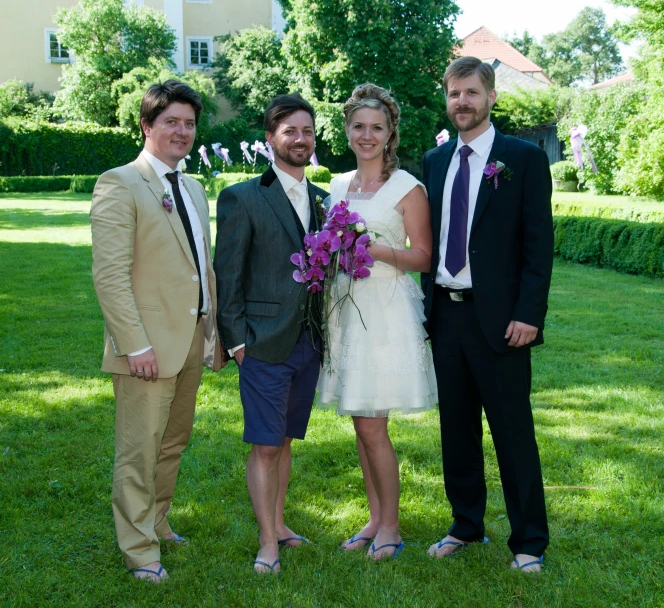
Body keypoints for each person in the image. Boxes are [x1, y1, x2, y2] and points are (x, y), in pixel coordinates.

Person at [421, 57, 554, 573]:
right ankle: (465, 525)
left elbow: (538, 246)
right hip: (447, 317)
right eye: (454, 93)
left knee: (512, 432)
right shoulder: (435, 161)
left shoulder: (521, 158)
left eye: (472, 92)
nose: (462, 102)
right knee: (455, 430)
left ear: (492, 96)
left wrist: (529, 313)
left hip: (502, 321)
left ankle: (529, 541)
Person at [90, 80, 225, 583]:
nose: (182, 131)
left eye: (189, 123)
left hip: (191, 337)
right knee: (138, 449)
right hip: (145, 345)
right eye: (171, 121)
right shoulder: (119, 182)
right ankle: (139, 549)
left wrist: (212, 332)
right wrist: (135, 344)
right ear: (147, 125)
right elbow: (110, 274)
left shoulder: (191, 186)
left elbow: (200, 267)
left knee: (173, 442)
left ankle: (158, 521)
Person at [317, 83, 438, 560]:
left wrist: (370, 250)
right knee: (360, 421)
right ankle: (374, 516)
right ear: (347, 130)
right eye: (359, 127)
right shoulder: (338, 186)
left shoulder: (408, 187)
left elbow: (424, 256)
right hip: (346, 311)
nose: (367, 135)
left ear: (390, 134)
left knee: (373, 427)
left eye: (377, 128)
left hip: (386, 316)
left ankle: (390, 526)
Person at [214, 93, 329, 575]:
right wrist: (237, 341)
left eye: (306, 131)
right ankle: (267, 543)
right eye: (289, 131)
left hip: (308, 343)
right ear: (270, 139)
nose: (299, 139)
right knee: (264, 443)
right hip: (261, 343)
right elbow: (228, 272)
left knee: (283, 441)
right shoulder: (244, 197)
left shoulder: (324, 202)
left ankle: (279, 523)